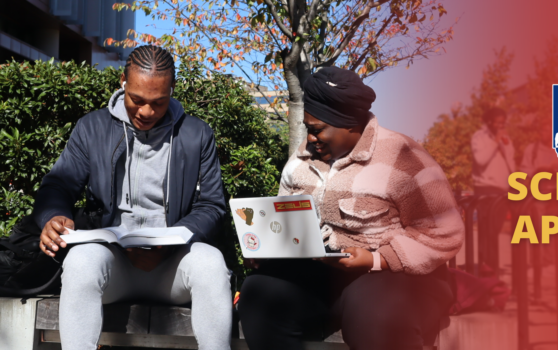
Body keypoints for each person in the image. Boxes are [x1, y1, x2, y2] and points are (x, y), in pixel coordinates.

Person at [237, 67, 464, 350]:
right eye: (308, 129)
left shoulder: (404, 157)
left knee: (374, 312)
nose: (309, 139)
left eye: (317, 130)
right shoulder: (299, 163)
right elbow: (287, 224)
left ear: (350, 124)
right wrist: (269, 253)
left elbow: (445, 232)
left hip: (391, 276)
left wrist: (374, 260)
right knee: (259, 293)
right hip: (322, 275)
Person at [33, 45, 232, 350]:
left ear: (172, 89)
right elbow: (58, 186)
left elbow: (212, 205)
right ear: (122, 82)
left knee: (211, 264)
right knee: (81, 261)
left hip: (172, 267)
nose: (147, 112)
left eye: (159, 102)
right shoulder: (92, 128)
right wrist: (53, 216)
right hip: (115, 265)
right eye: (136, 100)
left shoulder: (196, 134)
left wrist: (167, 245)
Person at [470, 107, 515, 272]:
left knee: (494, 232)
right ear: (489, 122)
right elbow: (481, 160)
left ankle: (490, 267)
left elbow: (510, 161)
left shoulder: (505, 139)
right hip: (486, 189)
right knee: (486, 232)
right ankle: (487, 268)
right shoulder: (479, 137)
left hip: (503, 190)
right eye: (497, 123)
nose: (501, 126)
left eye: (503, 123)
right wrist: (495, 141)